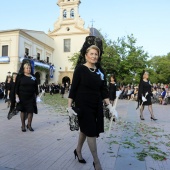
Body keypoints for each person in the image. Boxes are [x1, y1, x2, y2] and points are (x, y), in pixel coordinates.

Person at [67, 36, 115, 170]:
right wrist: (69, 106)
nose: (94, 56)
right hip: (83, 105)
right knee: (91, 133)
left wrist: (110, 106)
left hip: (96, 105)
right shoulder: (80, 69)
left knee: (85, 130)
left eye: (96, 54)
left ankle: (77, 150)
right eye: (91, 54)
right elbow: (73, 88)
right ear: (86, 55)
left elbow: (103, 90)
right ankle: (97, 161)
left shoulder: (100, 71)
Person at [15, 60, 39, 132]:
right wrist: (16, 96)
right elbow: (16, 87)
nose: (29, 69)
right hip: (22, 97)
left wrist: (37, 96)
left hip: (31, 97)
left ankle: (29, 125)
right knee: (23, 111)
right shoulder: (20, 77)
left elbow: (36, 87)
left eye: (29, 68)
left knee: (30, 111)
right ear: (24, 69)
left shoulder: (33, 77)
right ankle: (23, 125)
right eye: (27, 68)